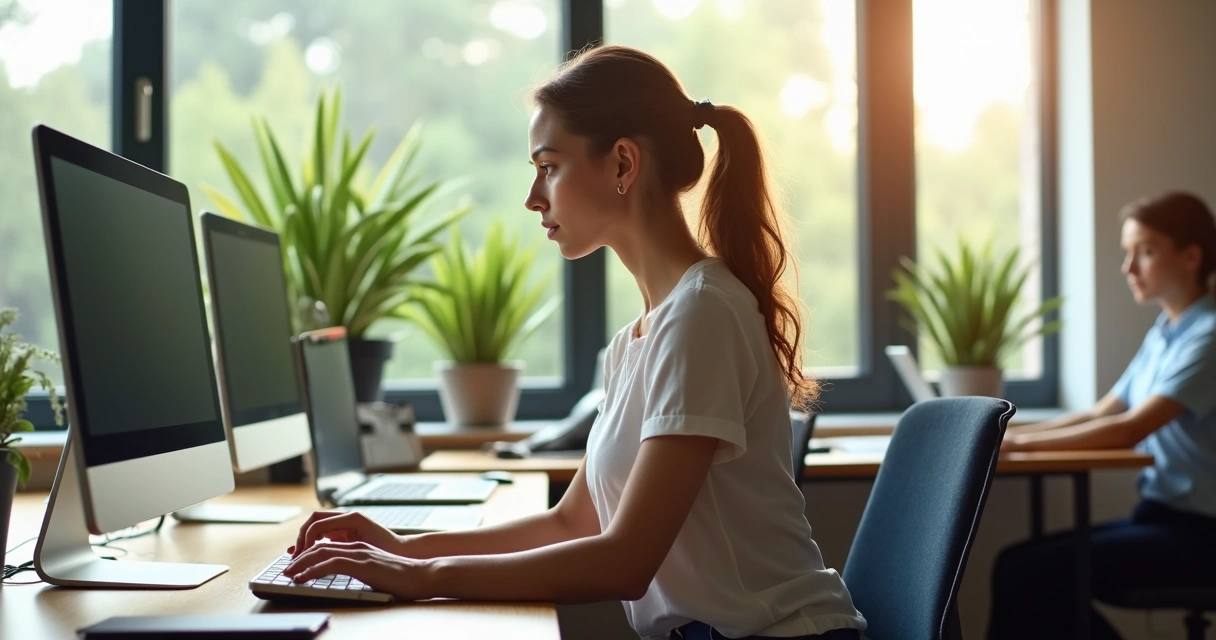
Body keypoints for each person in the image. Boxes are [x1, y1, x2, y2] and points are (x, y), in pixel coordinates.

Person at [281, 46, 866, 640]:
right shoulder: (636, 339)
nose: (534, 197)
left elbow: (624, 562)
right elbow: (571, 524)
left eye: (549, 166)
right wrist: (404, 549)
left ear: (621, 164)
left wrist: (425, 574)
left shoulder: (703, 315)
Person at [989, 191, 1216, 640]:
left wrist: (1018, 445)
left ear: (1192, 255)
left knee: (1030, 577)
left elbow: (1130, 429)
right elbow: (1102, 412)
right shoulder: (1167, 333)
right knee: (1017, 566)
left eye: (1145, 252)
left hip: (1201, 534)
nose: (1129, 268)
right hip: (1158, 516)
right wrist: (1002, 432)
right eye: (1128, 253)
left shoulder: (1208, 336)